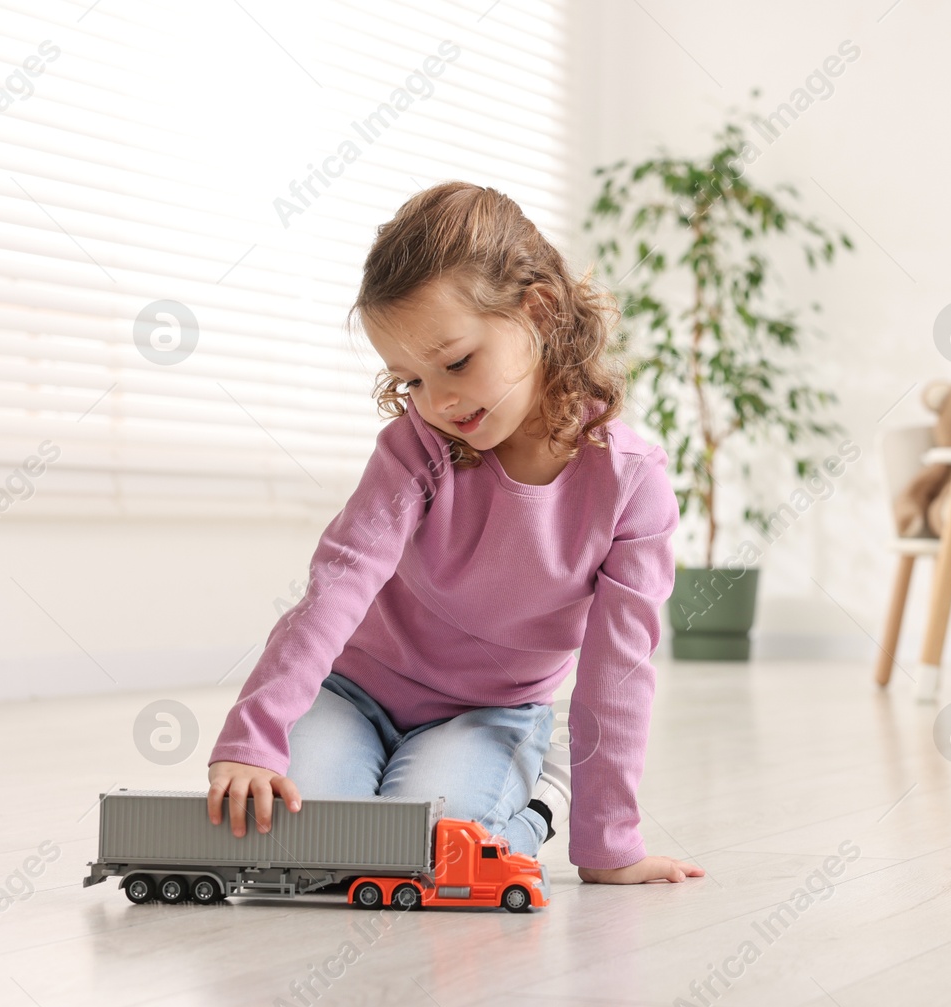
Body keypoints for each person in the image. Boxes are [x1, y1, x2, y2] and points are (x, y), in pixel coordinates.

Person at [204, 181, 704, 885]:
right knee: (310, 849)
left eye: (457, 362)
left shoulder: (629, 484)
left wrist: (608, 844)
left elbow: (617, 671)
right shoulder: (416, 449)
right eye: (409, 379)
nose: (436, 401)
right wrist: (252, 739)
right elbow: (337, 584)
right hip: (352, 693)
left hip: (485, 714)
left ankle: (535, 811)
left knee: (438, 857)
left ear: (538, 310)